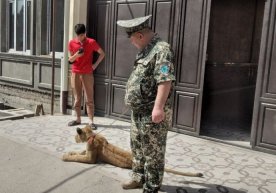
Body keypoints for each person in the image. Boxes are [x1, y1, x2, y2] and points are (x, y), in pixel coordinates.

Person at [117, 15, 176, 193]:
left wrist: (158, 108)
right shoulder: (146, 50)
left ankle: (151, 186)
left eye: (132, 38)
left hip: (152, 112)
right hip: (139, 110)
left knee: (153, 151)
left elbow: (165, 80)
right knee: (137, 146)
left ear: (140, 35)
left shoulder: (161, 50)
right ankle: (138, 177)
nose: (131, 42)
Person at [68, 24, 105, 129]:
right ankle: (78, 119)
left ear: (85, 33)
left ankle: (91, 121)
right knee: (77, 98)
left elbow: (102, 54)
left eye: (82, 35)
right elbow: (70, 60)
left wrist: (95, 65)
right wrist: (77, 55)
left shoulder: (91, 42)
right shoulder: (72, 43)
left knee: (89, 98)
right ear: (76, 35)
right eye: (79, 35)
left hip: (87, 73)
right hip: (75, 72)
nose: (81, 37)